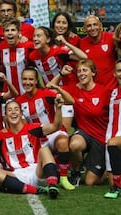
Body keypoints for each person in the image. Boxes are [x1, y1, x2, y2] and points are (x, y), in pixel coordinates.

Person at [0, 96, 65, 198]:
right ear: (5, 116)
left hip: (36, 172)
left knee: (45, 150)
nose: (13, 112)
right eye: (9, 110)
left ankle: (52, 185)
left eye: (16, 109)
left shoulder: (32, 128)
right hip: (17, 175)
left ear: (21, 114)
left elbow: (56, 126)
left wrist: (58, 108)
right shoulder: (2, 135)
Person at [51, 60, 111, 186]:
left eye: (85, 70)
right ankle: (76, 172)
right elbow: (50, 86)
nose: (81, 73)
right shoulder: (74, 89)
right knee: (74, 144)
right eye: (79, 71)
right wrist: (61, 74)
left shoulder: (104, 92)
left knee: (90, 182)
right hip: (84, 133)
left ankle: (105, 168)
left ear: (93, 73)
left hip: (101, 138)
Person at [15, 67, 76, 190]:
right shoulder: (19, 101)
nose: (27, 82)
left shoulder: (45, 94)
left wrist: (57, 88)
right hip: (36, 138)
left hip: (53, 131)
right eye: (25, 79)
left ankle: (64, 178)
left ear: (37, 81)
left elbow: (70, 101)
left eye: (31, 79)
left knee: (62, 141)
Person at [79, 15, 117, 89]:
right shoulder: (81, 43)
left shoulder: (112, 38)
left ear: (100, 26)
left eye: (95, 24)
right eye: (89, 26)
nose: (93, 28)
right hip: (93, 90)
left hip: (112, 88)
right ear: (84, 29)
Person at [0, 18, 34, 95]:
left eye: (13, 30)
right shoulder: (1, 46)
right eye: (7, 30)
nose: (10, 33)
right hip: (9, 93)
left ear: (19, 32)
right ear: (3, 33)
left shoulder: (28, 46)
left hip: (26, 92)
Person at [104, 59, 121, 198]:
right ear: (114, 73)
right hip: (110, 136)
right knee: (112, 184)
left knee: (113, 143)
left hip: (115, 141)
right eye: (119, 71)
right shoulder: (112, 92)